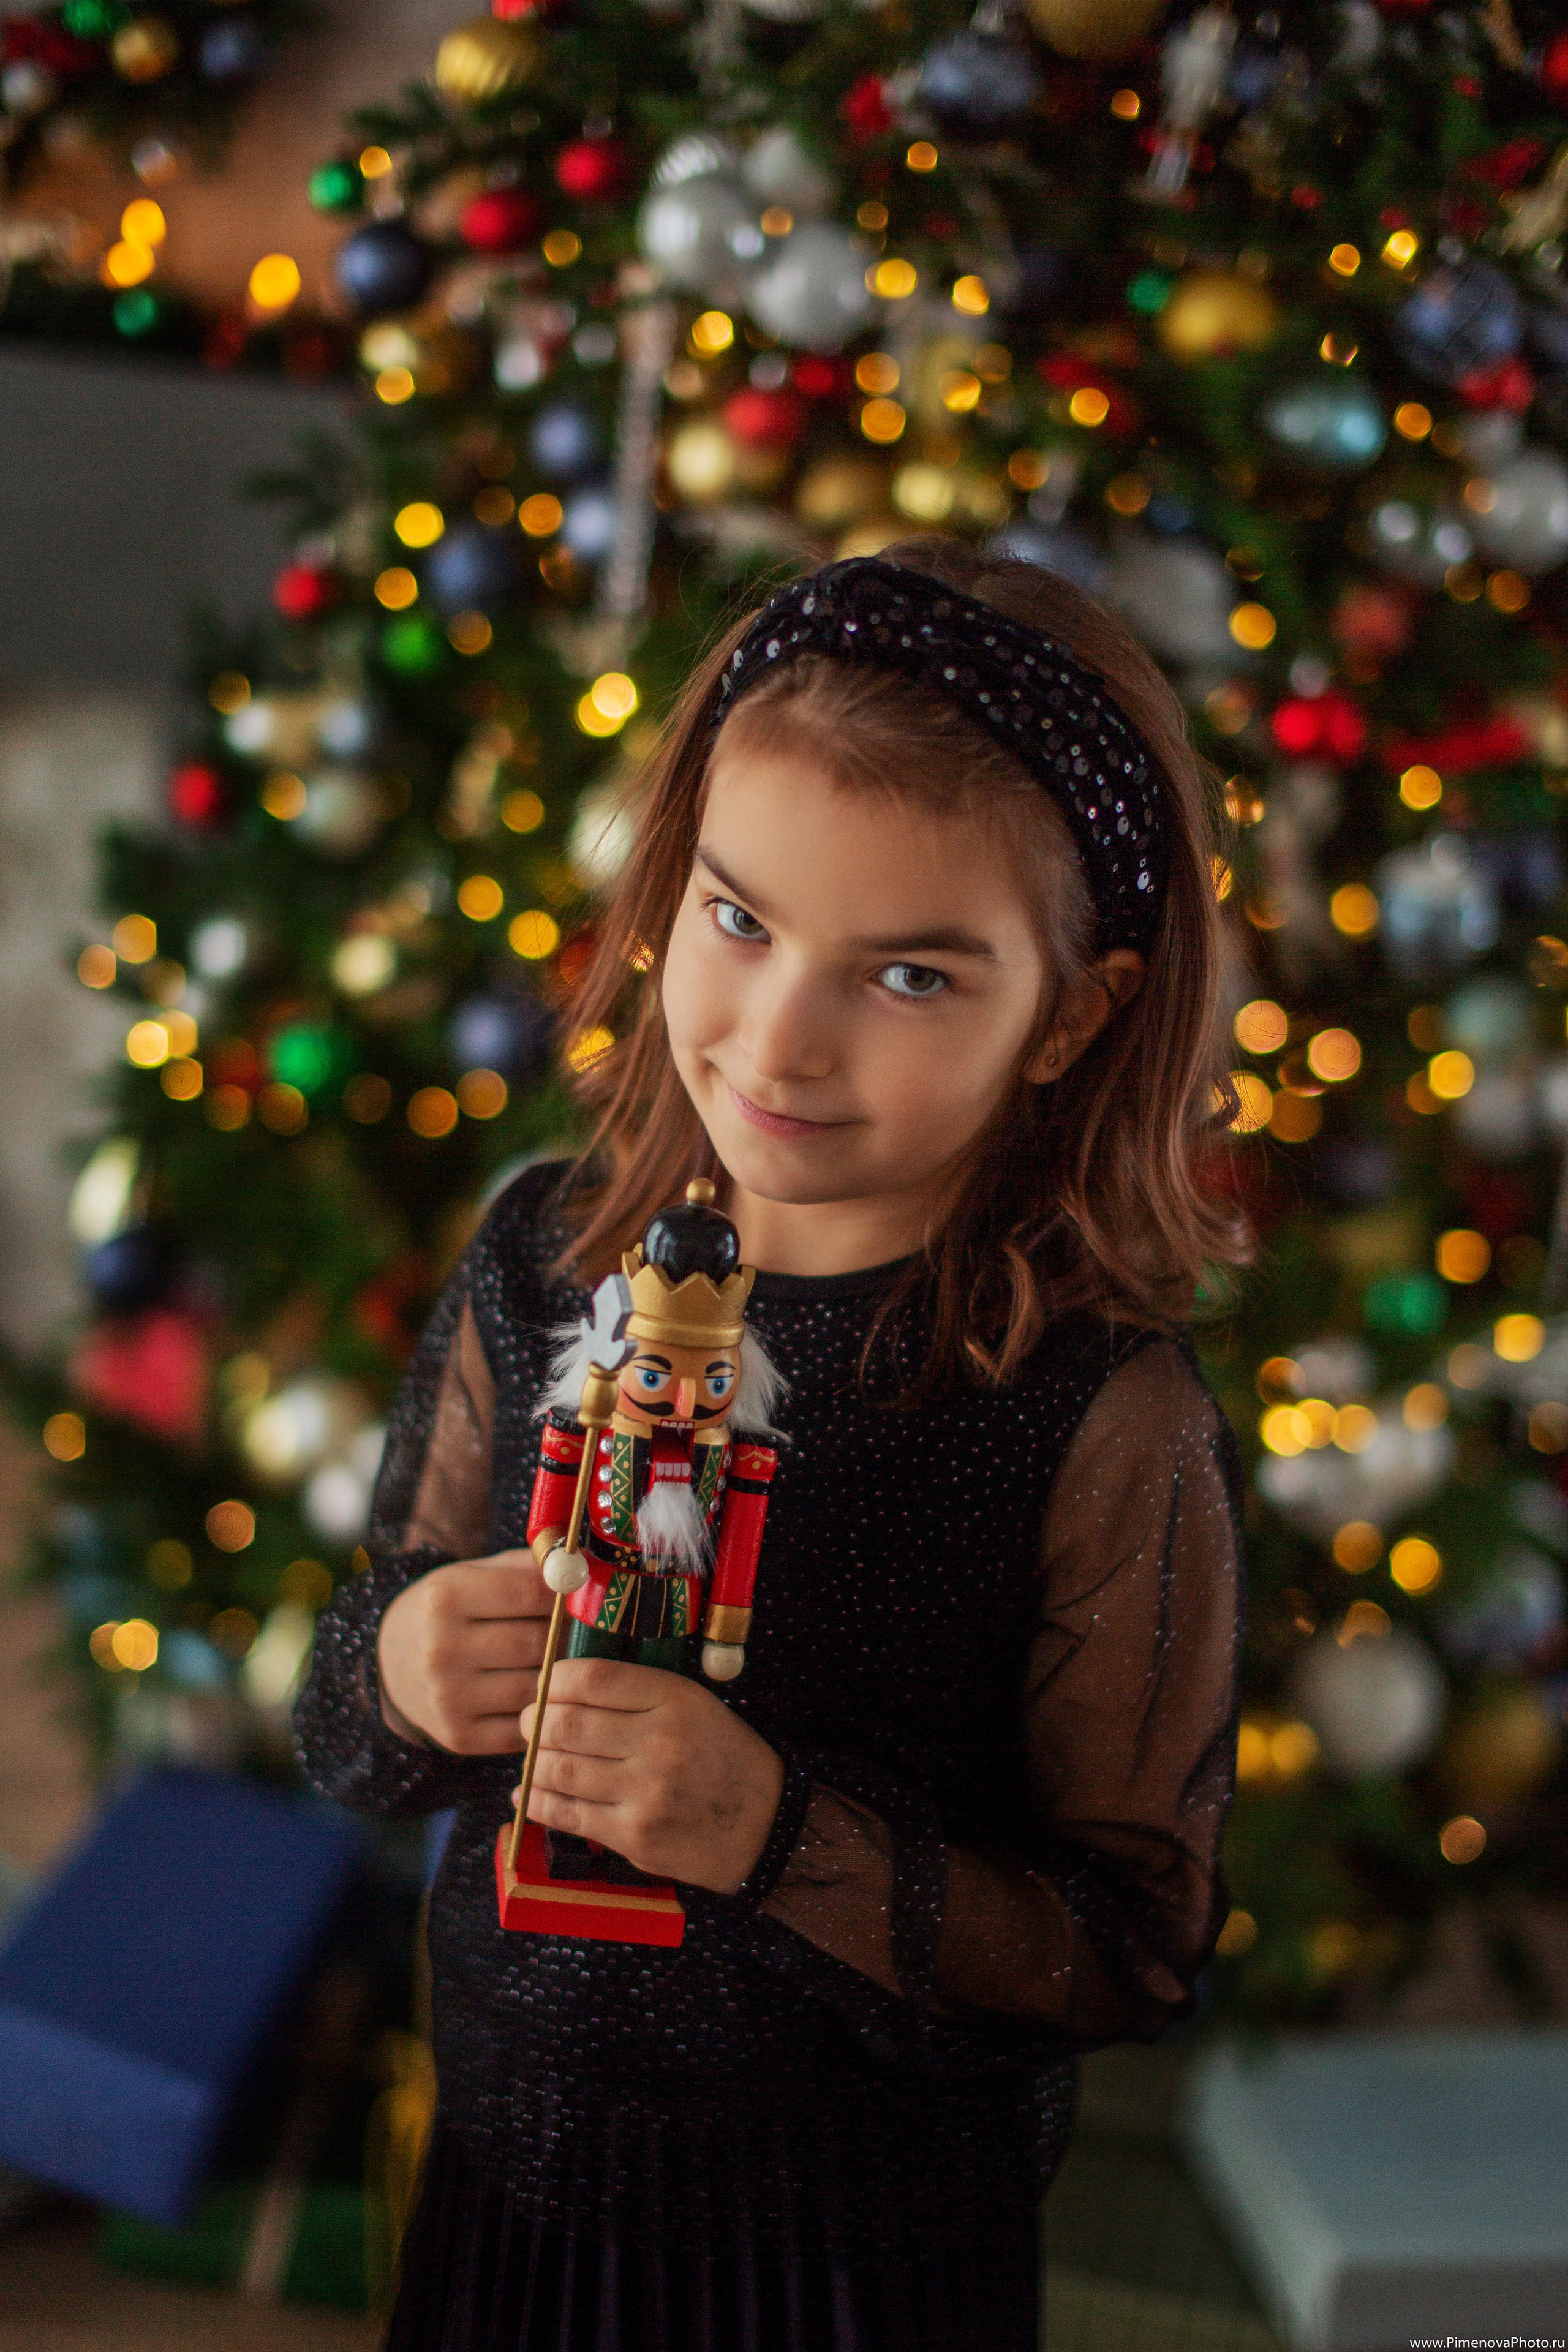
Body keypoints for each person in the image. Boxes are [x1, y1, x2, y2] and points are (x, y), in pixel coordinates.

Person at [295, 538, 1247, 2352]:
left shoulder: (1102, 1418)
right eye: (741, 922)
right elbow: (347, 1705)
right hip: (507, 2186)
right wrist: (407, 1665)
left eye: (910, 978)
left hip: (850, 2261)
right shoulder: (544, 1255)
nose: (779, 1042)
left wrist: (773, 1830)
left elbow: (1122, 1948)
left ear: (1074, 1012)